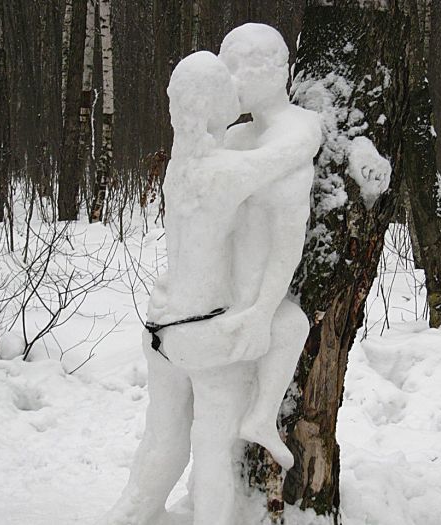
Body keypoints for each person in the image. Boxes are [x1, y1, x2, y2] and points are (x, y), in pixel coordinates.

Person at [104, 45, 320, 525]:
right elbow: (287, 154)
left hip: (160, 328)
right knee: (212, 452)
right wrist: (311, 129)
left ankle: (130, 515)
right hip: (204, 335)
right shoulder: (223, 172)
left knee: (162, 440)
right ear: (217, 108)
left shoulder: (178, 170)